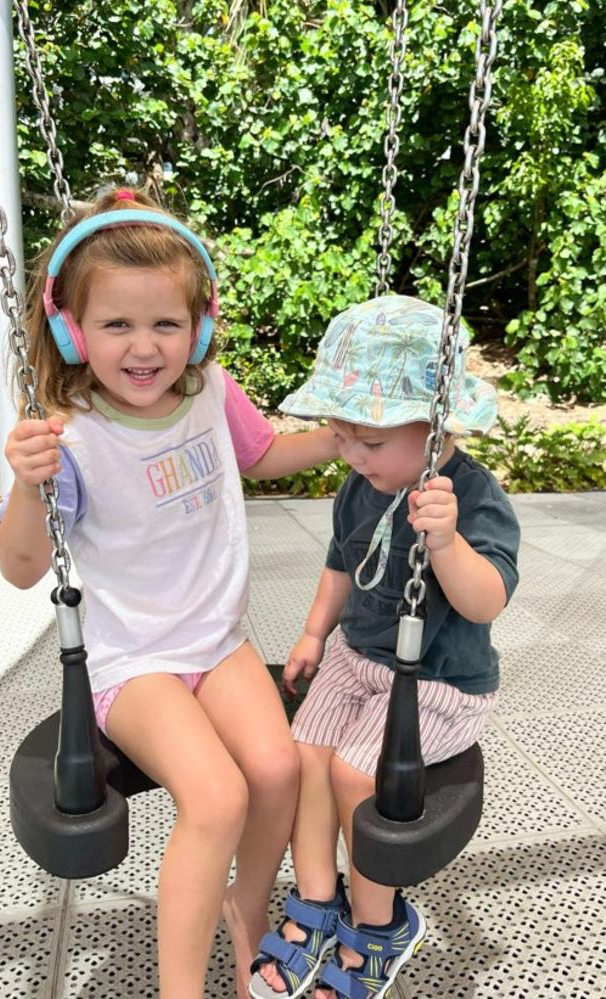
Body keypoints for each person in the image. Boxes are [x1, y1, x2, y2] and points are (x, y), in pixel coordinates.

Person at [0, 188, 341, 999]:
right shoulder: (71, 434)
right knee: (216, 796)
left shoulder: (211, 392)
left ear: (202, 326)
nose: (145, 347)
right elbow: (19, 566)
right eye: (117, 324)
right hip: (133, 659)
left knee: (278, 768)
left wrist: (344, 440)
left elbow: (262, 456)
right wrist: (26, 484)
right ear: (71, 330)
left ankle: (245, 918)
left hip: (218, 642)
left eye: (167, 325)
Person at [248, 295, 520, 999]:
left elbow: (486, 599)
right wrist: (313, 631)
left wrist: (448, 542)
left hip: (437, 679)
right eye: (341, 438)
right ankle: (315, 900)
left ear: (433, 428)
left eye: (368, 442)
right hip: (355, 656)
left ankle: (379, 923)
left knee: (352, 773)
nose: (352, 456)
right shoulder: (359, 484)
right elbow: (340, 563)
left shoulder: (474, 498)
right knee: (304, 755)